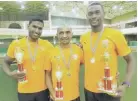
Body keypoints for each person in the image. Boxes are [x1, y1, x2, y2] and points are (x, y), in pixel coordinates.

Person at [80, 2, 134, 101]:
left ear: (103, 14)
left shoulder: (115, 34)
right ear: (87, 16)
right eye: (90, 13)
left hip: (109, 90)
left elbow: (130, 60)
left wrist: (125, 83)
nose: (94, 16)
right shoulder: (83, 37)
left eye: (97, 12)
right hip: (89, 91)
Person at [3, 18, 53, 101]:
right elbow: (6, 62)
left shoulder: (47, 45)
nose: (37, 30)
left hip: (43, 90)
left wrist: (76, 46)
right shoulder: (16, 44)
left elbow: (59, 53)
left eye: (40, 28)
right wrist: (10, 73)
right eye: (34, 26)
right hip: (24, 90)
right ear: (28, 26)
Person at [46, 27, 83, 101]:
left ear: (72, 34)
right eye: (61, 33)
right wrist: (52, 93)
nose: (64, 35)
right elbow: (47, 75)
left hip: (75, 96)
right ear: (57, 35)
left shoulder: (79, 50)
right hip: (57, 97)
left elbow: (81, 64)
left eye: (67, 32)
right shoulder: (50, 52)